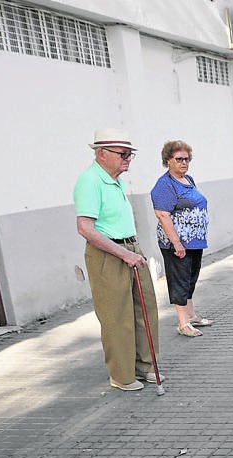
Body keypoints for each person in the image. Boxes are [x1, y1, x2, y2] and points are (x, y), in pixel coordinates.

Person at [73, 128, 160, 392]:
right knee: (116, 316)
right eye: (122, 154)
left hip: (129, 248)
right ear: (102, 153)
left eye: (130, 154)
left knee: (145, 310)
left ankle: (145, 366)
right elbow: (85, 228)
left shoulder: (115, 179)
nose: (128, 160)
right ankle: (122, 375)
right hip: (109, 255)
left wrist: (133, 251)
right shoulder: (90, 181)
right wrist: (124, 254)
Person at [150, 140, 213, 337]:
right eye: (179, 159)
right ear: (168, 160)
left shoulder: (189, 180)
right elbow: (162, 214)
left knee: (190, 278)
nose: (184, 163)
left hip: (194, 241)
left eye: (186, 159)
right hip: (177, 243)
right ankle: (183, 323)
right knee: (179, 279)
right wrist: (176, 243)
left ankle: (191, 315)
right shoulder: (165, 184)